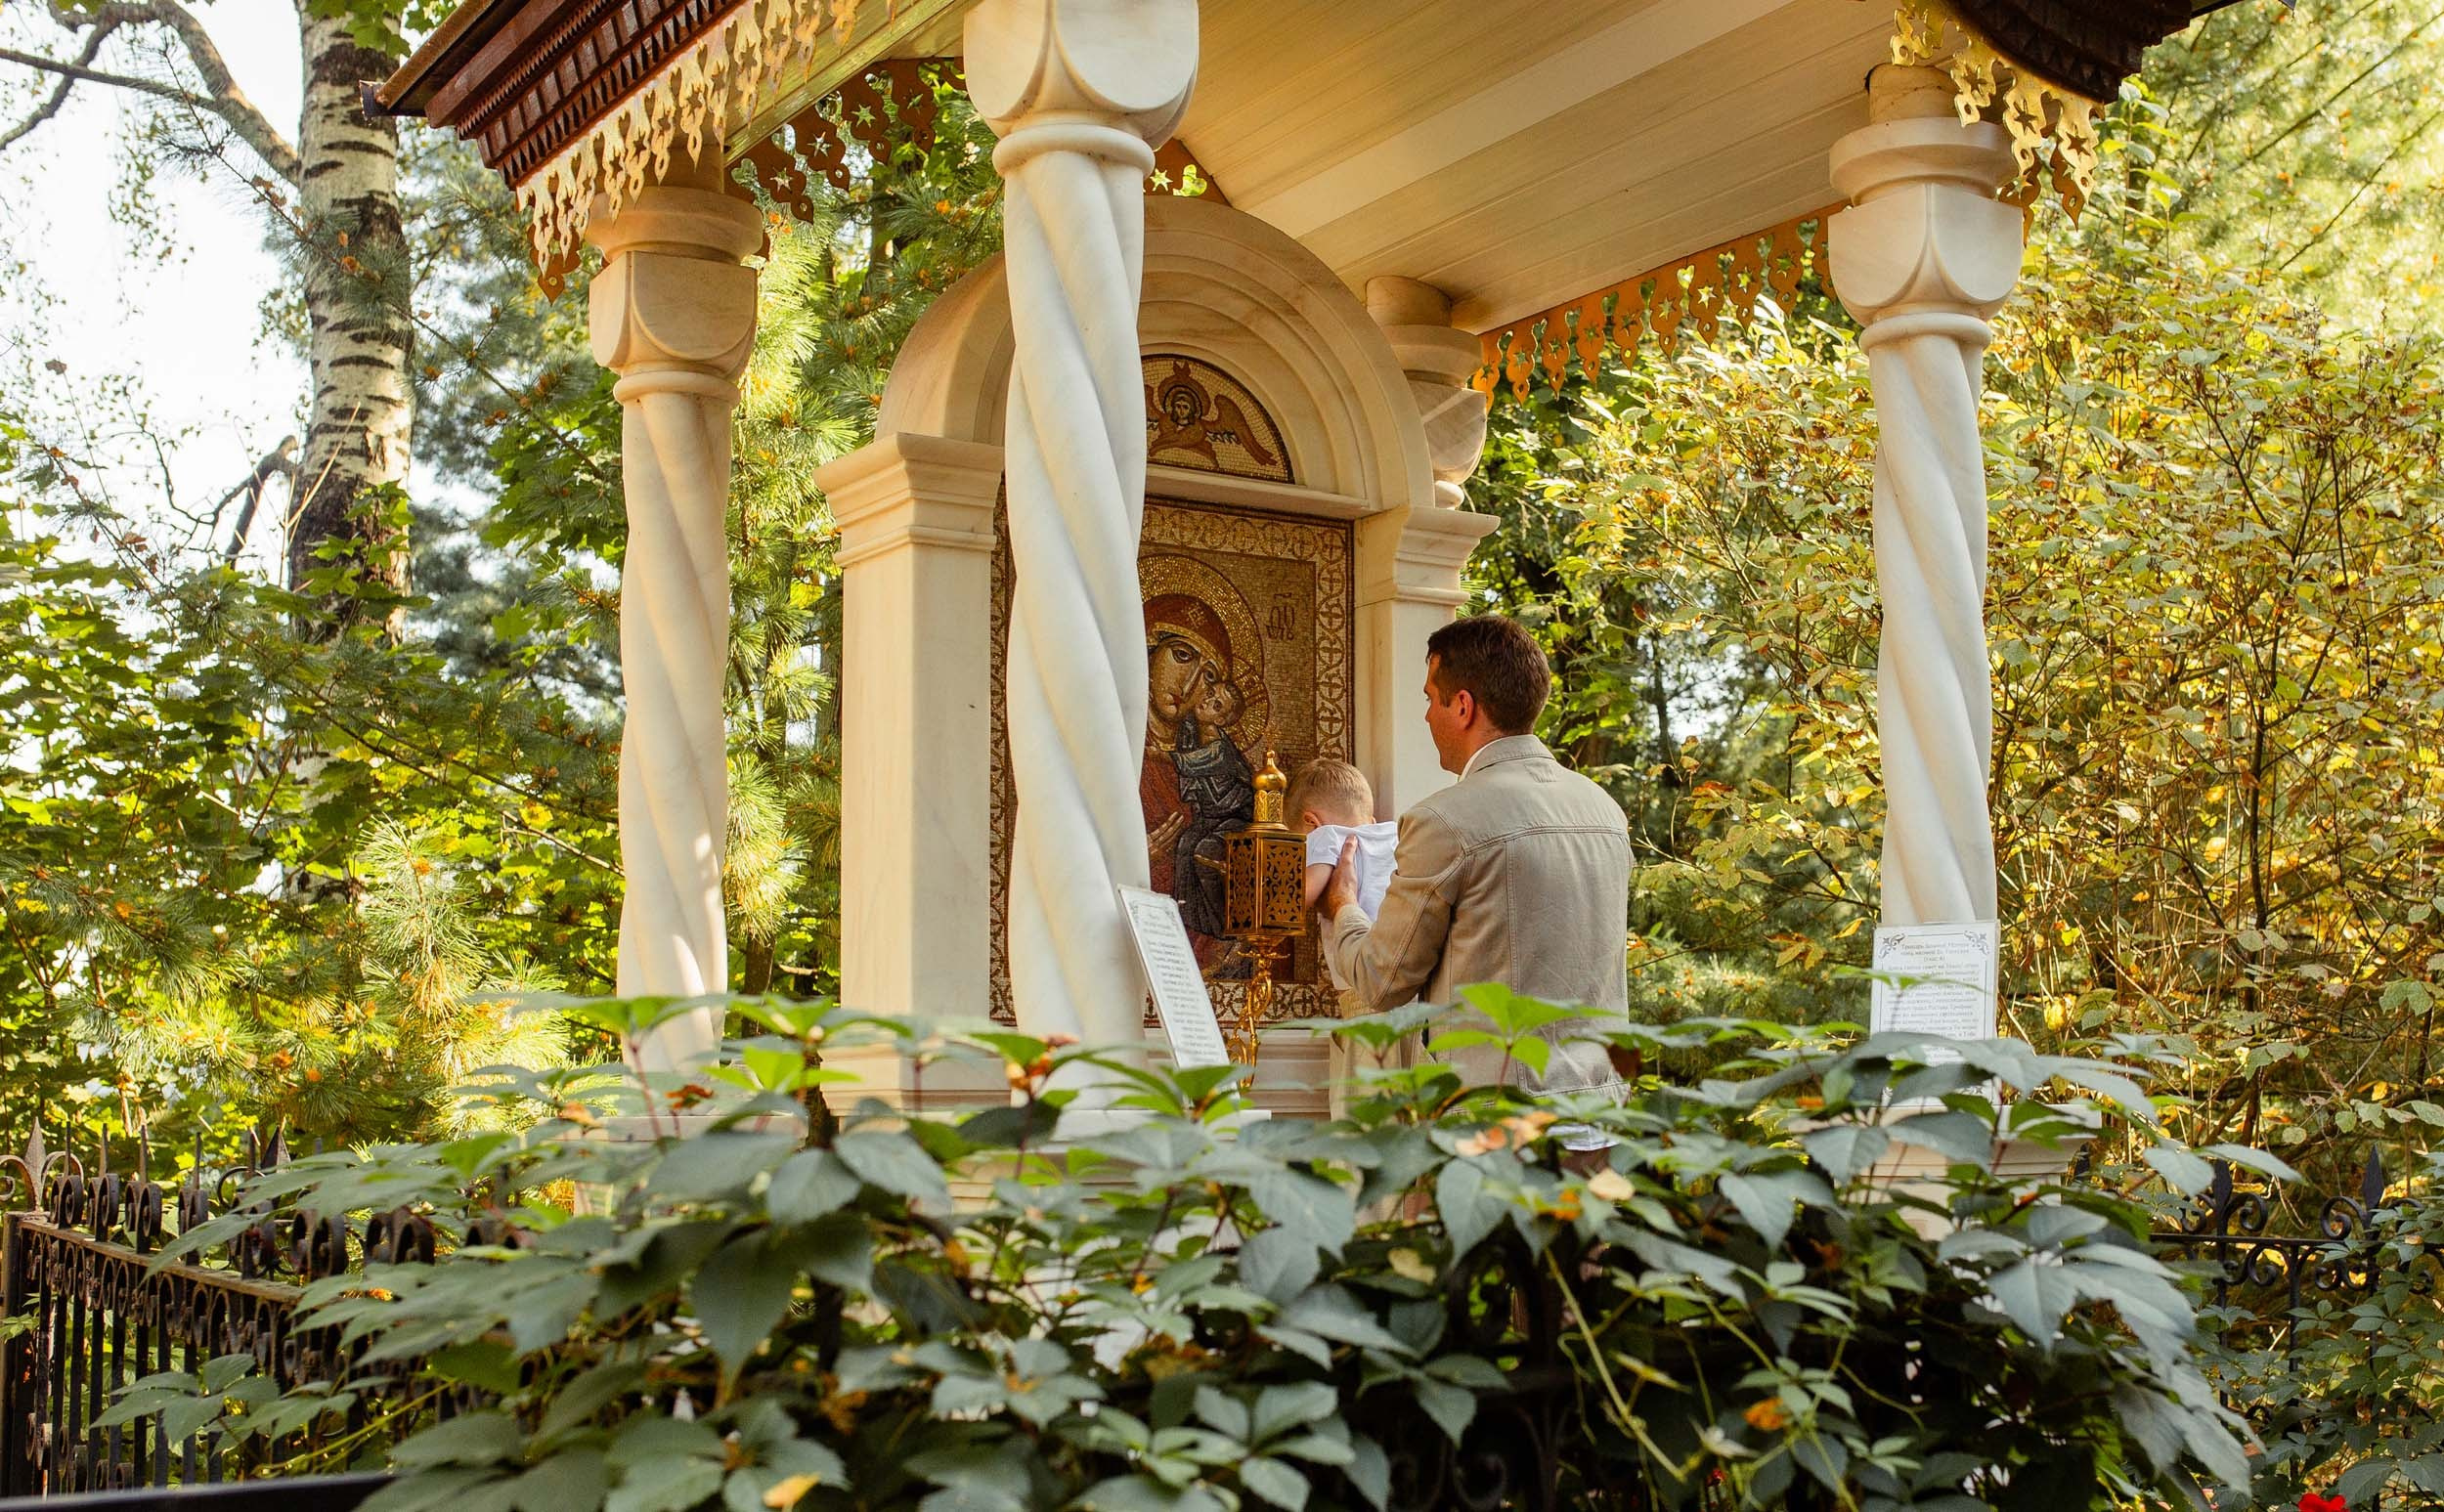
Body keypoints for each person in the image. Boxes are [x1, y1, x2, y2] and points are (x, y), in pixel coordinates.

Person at [1317, 615, 1631, 1097]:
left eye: (1429, 698)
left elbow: (1381, 982)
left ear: (1462, 706)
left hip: (1498, 1128)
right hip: (1601, 1114)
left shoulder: (1444, 821)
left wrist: (1344, 908)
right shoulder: (1605, 811)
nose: (1425, 715)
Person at [1286, 758, 1399, 1005]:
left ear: (1311, 822)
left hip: (1360, 976)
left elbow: (1304, 896)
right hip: (1398, 971)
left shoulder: (1326, 834)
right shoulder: (1393, 834)